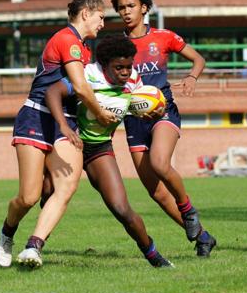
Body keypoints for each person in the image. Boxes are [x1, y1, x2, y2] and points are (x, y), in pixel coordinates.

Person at [0, 0, 116, 269]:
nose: (103, 24)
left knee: (67, 185)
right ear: (86, 14)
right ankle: (6, 233)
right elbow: (81, 87)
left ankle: (34, 246)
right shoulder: (67, 40)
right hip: (36, 116)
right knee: (29, 196)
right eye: (100, 17)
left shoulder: (85, 49)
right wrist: (101, 114)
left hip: (66, 123)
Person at [45, 34, 173, 267]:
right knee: (43, 195)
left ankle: (153, 255)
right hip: (69, 142)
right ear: (104, 65)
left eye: (128, 66)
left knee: (121, 208)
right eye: (119, 67)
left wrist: (150, 112)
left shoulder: (134, 80)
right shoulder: (88, 74)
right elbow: (53, 92)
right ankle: (30, 246)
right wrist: (63, 126)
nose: (125, 72)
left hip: (99, 147)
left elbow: (135, 106)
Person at [110, 0, 216, 256]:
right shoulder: (115, 46)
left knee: (159, 162)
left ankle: (188, 208)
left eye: (131, 5)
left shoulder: (164, 37)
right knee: (156, 193)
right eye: (121, 7)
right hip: (133, 119)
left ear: (144, 7)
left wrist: (192, 77)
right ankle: (203, 237)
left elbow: (198, 59)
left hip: (163, 110)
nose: (126, 11)